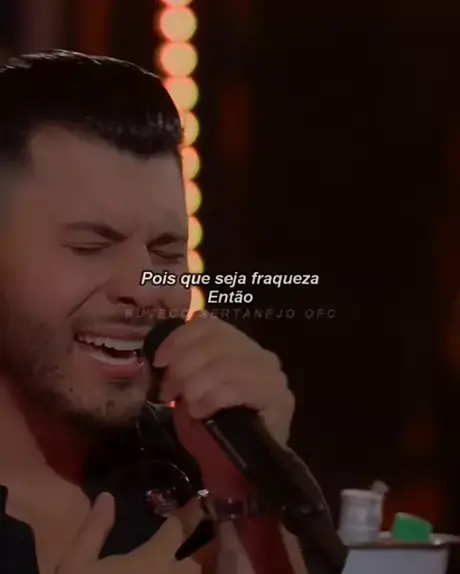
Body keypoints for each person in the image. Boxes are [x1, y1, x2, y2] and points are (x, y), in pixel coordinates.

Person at [0, 50, 334, 574]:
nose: (146, 288)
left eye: (166, 252)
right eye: (90, 246)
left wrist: (246, 486)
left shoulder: (197, 461)